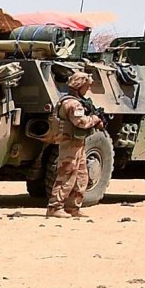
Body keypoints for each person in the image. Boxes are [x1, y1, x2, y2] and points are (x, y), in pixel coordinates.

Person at [47, 70, 104, 218]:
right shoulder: (72, 103)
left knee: (81, 176)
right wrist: (95, 119)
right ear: (79, 85)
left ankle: (73, 207)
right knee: (66, 175)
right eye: (87, 86)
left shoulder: (77, 101)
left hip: (78, 143)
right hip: (70, 143)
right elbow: (80, 122)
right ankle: (55, 207)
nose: (88, 89)